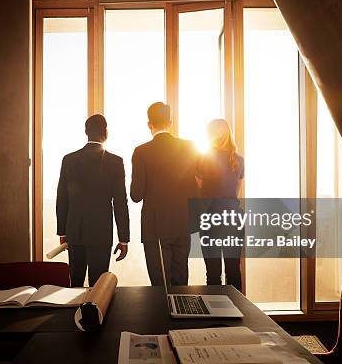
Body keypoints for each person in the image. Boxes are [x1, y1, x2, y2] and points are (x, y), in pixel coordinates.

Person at [56, 114, 130, 287]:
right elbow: (120, 202)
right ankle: (95, 314)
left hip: (75, 230)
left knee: (75, 285)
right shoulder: (116, 162)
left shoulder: (69, 159)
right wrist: (123, 238)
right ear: (105, 133)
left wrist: (63, 231)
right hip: (101, 233)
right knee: (98, 287)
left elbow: (62, 198)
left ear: (86, 132)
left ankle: (74, 314)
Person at [131, 102, 198, 286]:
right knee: (181, 279)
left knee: (160, 288)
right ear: (170, 122)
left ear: (149, 124)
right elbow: (198, 184)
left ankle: (163, 316)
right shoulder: (189, 147)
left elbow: (136, 195)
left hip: (156, 226)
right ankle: (182, 313)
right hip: (183, 224)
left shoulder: (142, 151)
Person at [196, 119, 244, 290]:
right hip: (233, 218)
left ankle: (215, 314)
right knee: (233, 270)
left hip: (211, 218)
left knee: (213, 272)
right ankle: (238, 312)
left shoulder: (203, 158)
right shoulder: (238, 160)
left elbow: (200, 189)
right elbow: (237, 191)